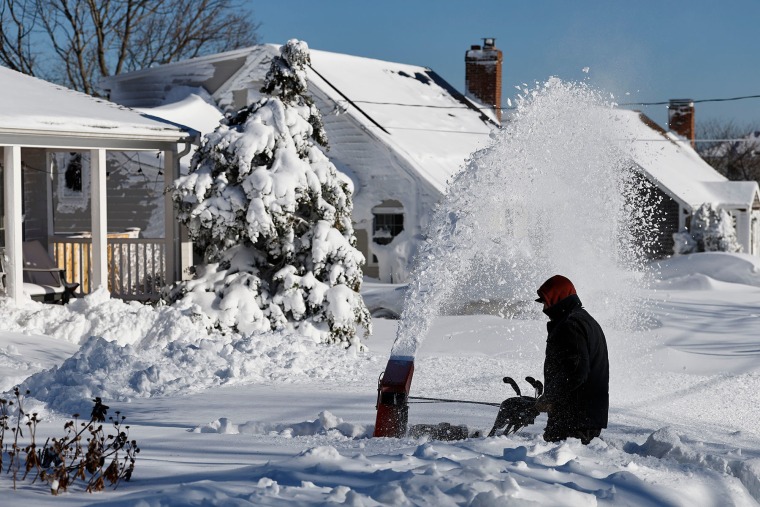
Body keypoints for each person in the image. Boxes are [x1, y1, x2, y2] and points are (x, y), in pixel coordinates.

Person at [532, 275, 609, 445]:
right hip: (584, 416)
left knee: (560, 467)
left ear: (557, 299)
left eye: (545, 302)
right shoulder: (584, 320)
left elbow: (575, 371)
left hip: (574, 419)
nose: (544, 308)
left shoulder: (570, 325)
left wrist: (549, 397)